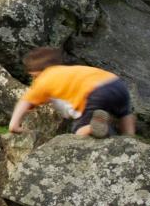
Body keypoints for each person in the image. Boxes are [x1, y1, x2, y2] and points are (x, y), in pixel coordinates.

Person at [8, 46, 136, 138]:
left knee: (78, 133)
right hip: (117, 84)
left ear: (38, 72)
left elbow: (25, 101)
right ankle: (129, 137)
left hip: (93, 92)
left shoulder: (44, 78)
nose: (33, 80)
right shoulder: (69, 71)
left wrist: (14, 124)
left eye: (33, 76)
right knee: (124, 112)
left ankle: (94, 127)